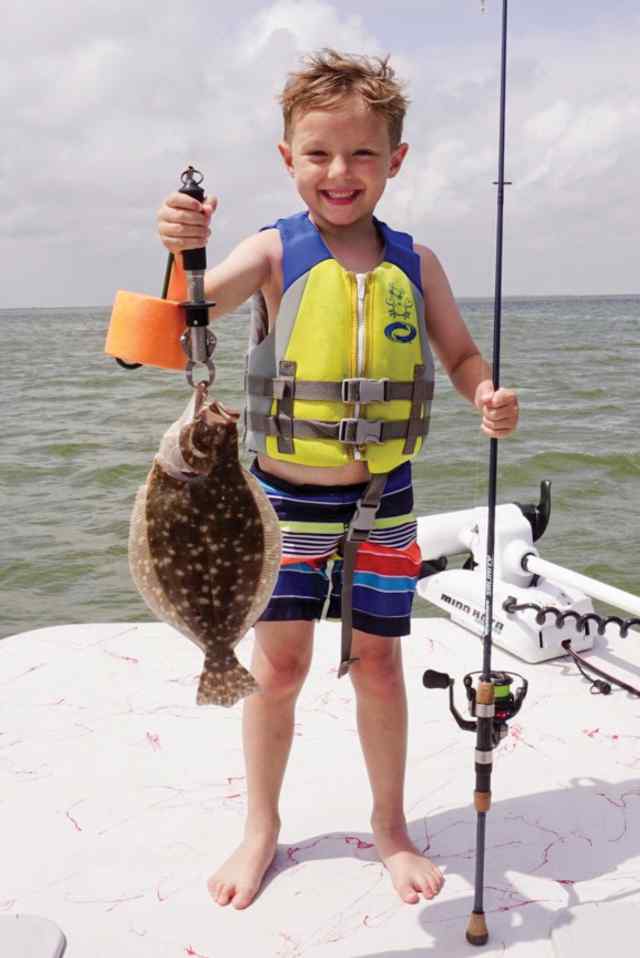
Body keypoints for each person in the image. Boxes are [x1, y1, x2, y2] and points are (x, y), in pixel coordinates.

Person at [156, 49, 519, 911]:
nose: (340, 173)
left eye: (363, 154)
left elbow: (459, 353)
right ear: (288, 158)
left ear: (396, 158)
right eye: (319, 153)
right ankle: (262, 826)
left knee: (380, 668)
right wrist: (183, 252)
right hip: (278, 508)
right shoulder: (272, 251)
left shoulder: (415, 262)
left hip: (382, 501)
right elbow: (180, 329)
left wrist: (485, 394)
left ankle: (388, 828)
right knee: (276, 670)